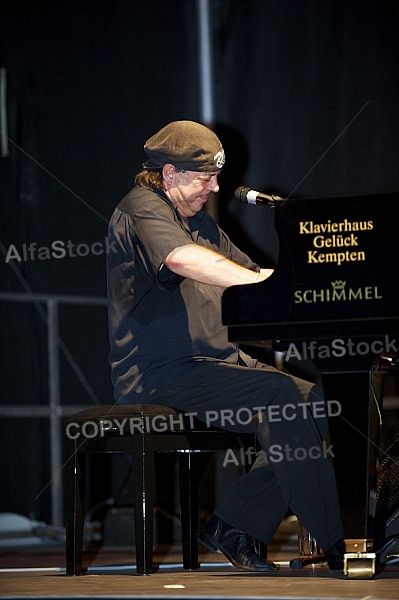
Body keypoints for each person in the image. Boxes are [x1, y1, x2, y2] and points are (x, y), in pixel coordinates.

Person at [106, 120, 345, 572]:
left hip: (214, 365)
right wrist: (257, 280)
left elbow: (256, 282)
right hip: (159, 375)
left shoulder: (201, 222)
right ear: (170, 173)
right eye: (205, 177)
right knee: (278, 395)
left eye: (217, 175)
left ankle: (235, 527)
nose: (215, 186)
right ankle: (337, 546)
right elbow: (181, 259)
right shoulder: (141, 208)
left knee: (311, 399)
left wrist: (321, 287)